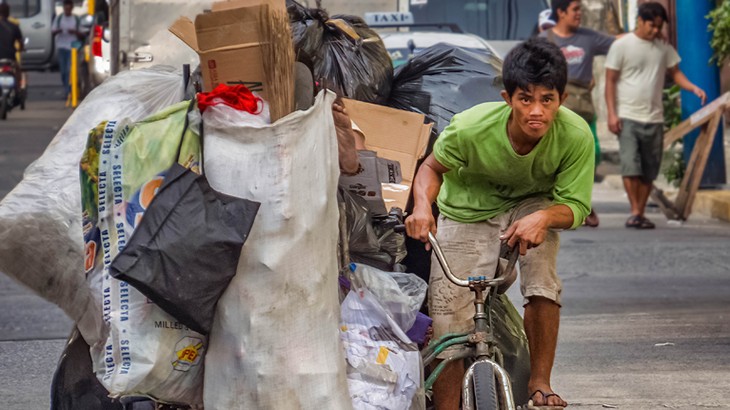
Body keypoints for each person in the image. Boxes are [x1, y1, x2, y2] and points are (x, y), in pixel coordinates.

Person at [405, 37, 594, 409]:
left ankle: (539, 383)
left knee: (542, 276)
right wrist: (423, 207)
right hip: (468, 208)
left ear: (562, 100)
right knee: (448, 316)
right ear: (508, 99)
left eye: (547, 100)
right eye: (526, 99)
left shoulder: (575, 136)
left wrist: (544, 217)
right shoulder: (470, 127)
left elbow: (575, 206)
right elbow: (430, 167)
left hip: (532, 204)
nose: (536, 111)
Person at [605, 1, 706, 229]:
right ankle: (635, 211)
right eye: (652, 25)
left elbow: (676, 73)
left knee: (649, 169)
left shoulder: (663, 48)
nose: (655, 30)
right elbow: (610, 82)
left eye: (659, 26)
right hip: (627, 115)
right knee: (631, 166)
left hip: (654, 117)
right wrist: (612, 113)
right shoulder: (622, 46)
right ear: (640, 20)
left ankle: (639, 213)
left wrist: (693, 88)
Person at [539, 0, 615, 228]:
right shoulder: (545, 41)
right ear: (561, 12)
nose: (579, 14)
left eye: (580, 10)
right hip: (555, 110)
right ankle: (567, 205)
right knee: (555, 156)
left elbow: (618, 44)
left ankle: (580, 202)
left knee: (592, 154)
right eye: (575, 10)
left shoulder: (589, 37)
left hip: (584, 108)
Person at [52, 0, 80, 98]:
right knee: (63, 71)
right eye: (66, 8)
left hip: (72, 48)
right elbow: (52, 32)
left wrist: (75, 32)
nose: (67, 10)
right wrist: (58, 31)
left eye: (69, 8)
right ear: (64, 8)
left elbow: (82, 33)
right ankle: (66, 88)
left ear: (71, 8)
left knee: (69, 70)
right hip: (61, 47)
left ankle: (70, 91)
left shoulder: (75, 19)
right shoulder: (59, 18)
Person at [0, 2, 23, 95]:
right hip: (10, 57)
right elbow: (20, 42)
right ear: (8, 13)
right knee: (18, 70)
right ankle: (18, 89)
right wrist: (21, 49)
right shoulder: (14, 26)